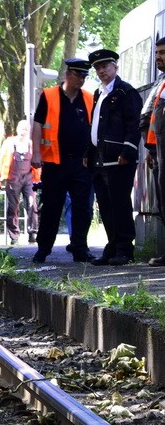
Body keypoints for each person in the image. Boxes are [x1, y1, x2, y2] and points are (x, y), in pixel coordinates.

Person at [30, 58, 96, 264]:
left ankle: (79, 248)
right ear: (68, 74)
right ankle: (43, 248)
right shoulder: (49, 95)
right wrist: (36, 154)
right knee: (51, 206)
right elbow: (38, 124)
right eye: (78, 75)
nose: (82, 80)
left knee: (83, 207)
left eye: (85, 76)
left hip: (81, 163)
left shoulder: (89, 98)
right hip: (54, 162)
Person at [87, 48, 143, 266]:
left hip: (118, 158)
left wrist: (128, 150)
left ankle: (125, 249)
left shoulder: (126, 92)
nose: (101, 71)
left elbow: (134, 123)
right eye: (98, 68)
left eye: (105, 66)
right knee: (105, 205)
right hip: (99, 157)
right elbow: (95, 126)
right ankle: (112, 246)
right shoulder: (98, 94)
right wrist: (88, 152)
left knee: (120, 203)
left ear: (115, 66)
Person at [0, 120, 39, 245]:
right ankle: (14, 236)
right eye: (21, 129)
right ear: (17, 129)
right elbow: (1, 160)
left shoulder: (31, 144)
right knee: (13, 208)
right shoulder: (9, 143)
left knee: (32, 204)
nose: (23, 131)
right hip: (12, 178)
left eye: (26, 129)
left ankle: (33, 233)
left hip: (29, 179)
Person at [143, 38, 165, 266]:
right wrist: (150, 148)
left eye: (163, 53)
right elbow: (149, 117)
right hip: (158, 153)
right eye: (157, 52)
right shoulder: (161, 82)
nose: (158, 57)